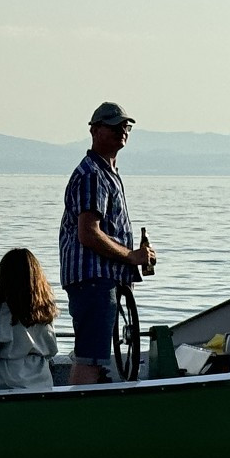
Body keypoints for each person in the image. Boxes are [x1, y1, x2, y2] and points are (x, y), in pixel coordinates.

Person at [59, 102, 156, 385]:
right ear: (94, 130)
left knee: (95, 356)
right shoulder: (92, 174)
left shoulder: (106, 173)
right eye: (113, 126)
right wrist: (130, 256)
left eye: (125, 126)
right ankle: (80, 415)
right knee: (90, 357)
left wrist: (136, 257)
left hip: (102, 281)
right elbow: (88, 233)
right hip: (93, 279)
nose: (121, 131)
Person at [0, 248, 59, 390]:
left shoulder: (1, 311)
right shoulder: (44, 310)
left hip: (8, 378)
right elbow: (52, 348)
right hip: (41, 378)